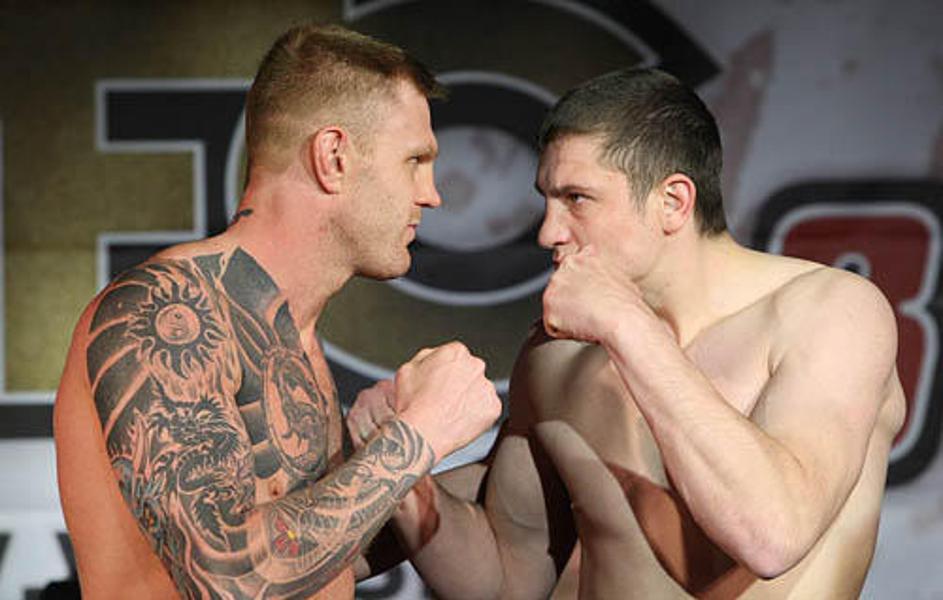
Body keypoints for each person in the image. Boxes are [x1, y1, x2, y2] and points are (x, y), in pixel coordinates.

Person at [349, 67, 905, 598]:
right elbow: (507, 580)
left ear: (673, 202)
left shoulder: (831, 312)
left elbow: (772, 536)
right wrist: (403, 477)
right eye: (547, 199)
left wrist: (627, 325)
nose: (548, 232)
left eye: (576, 199)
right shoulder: (557, 358)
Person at [53, 23, 501, 599]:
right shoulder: (166, 311)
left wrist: (531, 469)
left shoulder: (292, 334)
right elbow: (228, 575)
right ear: (334, 157)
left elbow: (311, 560)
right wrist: (419, 435)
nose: (432, 194)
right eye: (414, 159)